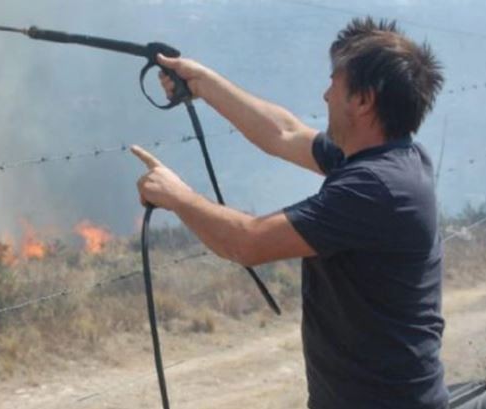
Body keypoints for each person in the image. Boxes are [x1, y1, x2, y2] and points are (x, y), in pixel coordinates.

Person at [131, 17, 447, 409]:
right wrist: (202, 82)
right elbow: (284, 133)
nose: (326, 95)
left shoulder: (376, 188)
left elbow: (247, 243)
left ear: (363, 101)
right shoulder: (392, 157)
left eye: (335, 82)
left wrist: (177, 196)